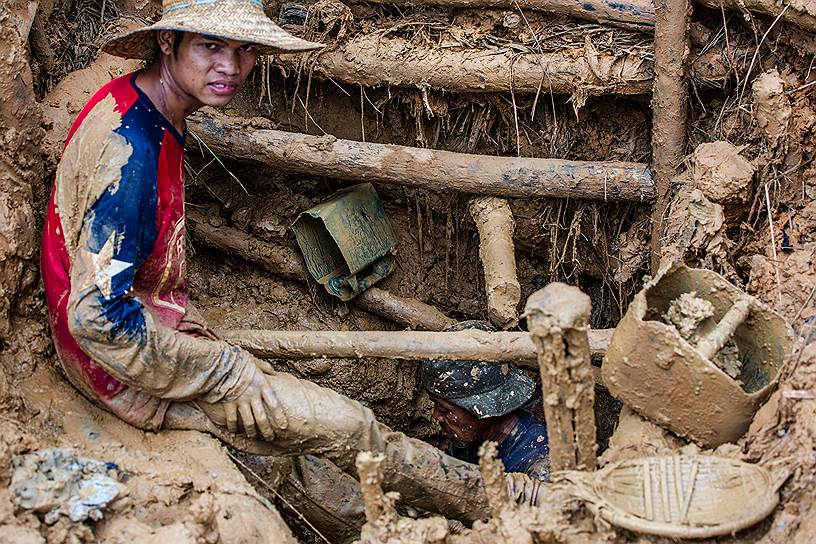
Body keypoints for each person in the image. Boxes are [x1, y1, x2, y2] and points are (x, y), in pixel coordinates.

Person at [39, 0, 510, 524]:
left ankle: (407, 526)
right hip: (121, 373)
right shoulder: (131, 151)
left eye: (244, 50)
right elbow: (97, 317)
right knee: (350, 426)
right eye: (211, 46)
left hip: (150, 340)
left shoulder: (140, 107)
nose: (230, 67)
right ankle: (504, 501)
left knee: (293, 452)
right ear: (168, 42)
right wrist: (226, 372)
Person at [421, 321, 551, 482]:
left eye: (444, 409)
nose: (436, 416)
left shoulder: (538, 462)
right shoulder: (469, 438)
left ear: (486, 408)